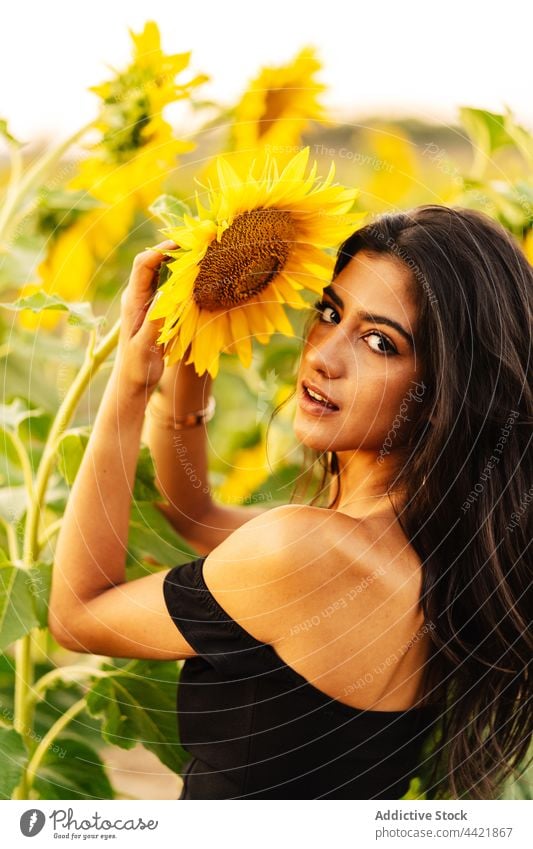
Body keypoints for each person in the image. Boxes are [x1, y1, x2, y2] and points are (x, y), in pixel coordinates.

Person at [49, 204, 532, 800]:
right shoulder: (439, 549)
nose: (324, 356)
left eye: (380, 342)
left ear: (449, 388)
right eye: (330, 312)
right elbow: (195, 513)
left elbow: (76, 615)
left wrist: (128, 383)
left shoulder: (304, 553)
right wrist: (196, 335)